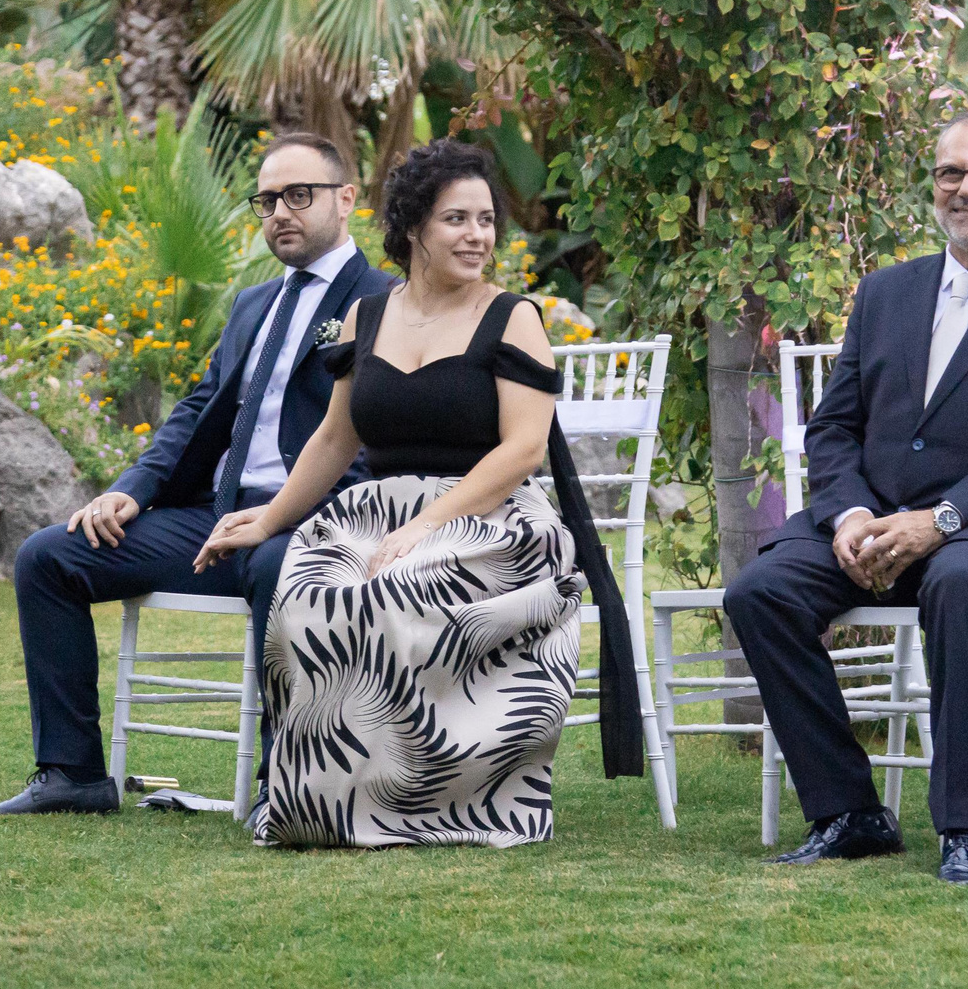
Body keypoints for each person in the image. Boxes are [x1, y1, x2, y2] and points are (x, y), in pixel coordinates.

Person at [192, 140, 644, 847]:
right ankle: (320, 797)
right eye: (456, 219)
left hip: (490, 517)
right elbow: (335, 441)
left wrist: (426, 524)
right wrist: (269, 520)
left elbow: (524, 447)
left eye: (486, 220)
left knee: (396, 585)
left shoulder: (511, 316)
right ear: (412, 230)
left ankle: (424, 801)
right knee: (306, 588)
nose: (478, 236)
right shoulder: (367, 318)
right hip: (377, 513)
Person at [724, 112, 968, 885]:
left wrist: (940, 521)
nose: (966, 188)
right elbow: (833, 426)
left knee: (961, 583)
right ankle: (848, 811)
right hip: (871, 518)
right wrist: (853, 514)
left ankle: (964, 826)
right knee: (760, 592)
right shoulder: (885, 292)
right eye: (950, 173)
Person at [0, 133, 393, 816]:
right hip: (214, 521)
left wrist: (280, 515)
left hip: (312, 521)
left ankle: (286, 788)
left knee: (275, 566)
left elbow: (375, 441)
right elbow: (197, 410)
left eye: (299, 195)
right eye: (267, 199)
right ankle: (72, 773)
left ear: (346, 199)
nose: (279, 211)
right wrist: (129, 491)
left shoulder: (383, 301)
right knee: (48, 557)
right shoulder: (254, 304)